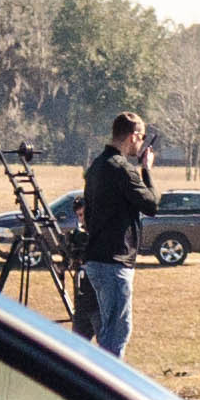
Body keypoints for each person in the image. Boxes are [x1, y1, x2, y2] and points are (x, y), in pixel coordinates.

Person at [72, 111, 157, 360]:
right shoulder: (123, 169)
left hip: (94, 262)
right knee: (116, 334)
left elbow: (88, 215)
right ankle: (109, 390)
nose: (141, 144)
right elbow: (151, 205)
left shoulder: (96, 167)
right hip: (115, 263)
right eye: (141, 138)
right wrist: (146, 169)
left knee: (98, 330)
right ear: (133, 136)